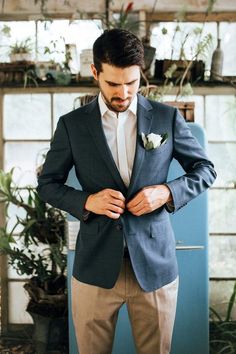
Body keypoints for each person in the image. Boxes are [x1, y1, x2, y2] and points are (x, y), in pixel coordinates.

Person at [37, 29, 216, 354]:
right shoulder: (71, 125)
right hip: (94, 269)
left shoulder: (166, 117)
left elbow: (205, 170)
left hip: (155, 266)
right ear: (95, 73)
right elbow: (47, 184)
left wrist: (166, 192)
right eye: (113, 83)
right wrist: (87, 200)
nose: (123, 92)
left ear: (140, 74)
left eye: (131, 83)